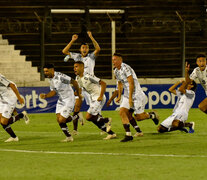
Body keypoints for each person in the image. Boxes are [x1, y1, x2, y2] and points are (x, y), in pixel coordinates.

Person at [112, 53, 159, 142]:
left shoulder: (126, 68)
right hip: (126, 95)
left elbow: (131, 83)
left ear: (120, 60)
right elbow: (119, 83)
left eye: (115, 60)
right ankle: (128, 135)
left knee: (139, 117)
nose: (113, 62)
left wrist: (130, 98)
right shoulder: (116, 71)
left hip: (136, 95)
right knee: (123, 112)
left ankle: (152, 115)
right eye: (112, 60)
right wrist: (119, 96)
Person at [62, 31, 101, 135]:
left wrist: (91, 37)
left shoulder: (91, 57)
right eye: (83, 48)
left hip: (91, 86)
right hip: (80, 84)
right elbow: (64, 51)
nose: (84, 49)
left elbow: (98, 49)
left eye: (86, 48)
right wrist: (72, 40)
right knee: (77, 106)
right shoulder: (77, 57)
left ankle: (103, 127)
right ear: (80, 49)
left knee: (94, 111)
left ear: (88, 49)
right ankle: (75, 130)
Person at [74, 61, 116, 140]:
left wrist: (100, 96)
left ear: (82, 67)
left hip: (98, 97)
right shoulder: (78, 78)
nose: (74, 69)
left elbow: (103, 83)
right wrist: (77, 93)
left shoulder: (89, 76)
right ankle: (111, 133)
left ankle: (107, 120)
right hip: (93, 99)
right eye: (74, 67)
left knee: (88, 116)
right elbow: (80, 90)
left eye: (76, 67)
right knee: (92, 118)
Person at [40, 64, 81, 142]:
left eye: (47, 71)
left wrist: (78, 93)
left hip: (69, 99)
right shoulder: (50, 79)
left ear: (52, 70)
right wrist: (45, 96)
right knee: (59, 120)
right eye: (44, 71)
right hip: (61, 100)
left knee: (62, 120)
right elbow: (54, 91)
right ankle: (69, 137)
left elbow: (74, 82)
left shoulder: (60, 77)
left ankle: (76, 117)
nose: (45, 73)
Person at [0, 74, 30, 142]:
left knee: (4, 122)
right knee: (1, 120)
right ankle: (14, 137)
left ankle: (21, 116)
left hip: (10, 96)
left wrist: (19, 98)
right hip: (2, 97)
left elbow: (12, 85)